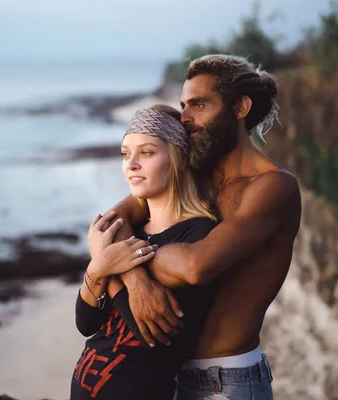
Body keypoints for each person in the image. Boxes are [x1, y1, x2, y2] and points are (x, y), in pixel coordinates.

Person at [106, 55, 302, 399]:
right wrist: (136, 282)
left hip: (227, 381)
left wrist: (121, 263)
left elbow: (197, 267)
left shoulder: (272, 187)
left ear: (240, 107)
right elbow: (109, 226)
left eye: (199, 104)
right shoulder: (193, 177)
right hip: (168, 377)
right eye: (184, 105)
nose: (185, 117)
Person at [71, 105, 220, 400]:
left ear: (178, 158)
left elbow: (157, 337)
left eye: (147, 153)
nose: (131, 164)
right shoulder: (132, 232)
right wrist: (101, 268)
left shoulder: (198, 234)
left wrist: (111, 266)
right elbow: (86, 323)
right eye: (126, 153)